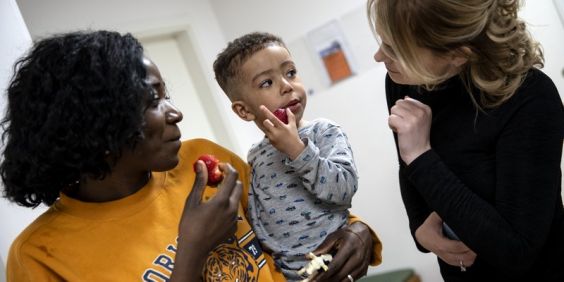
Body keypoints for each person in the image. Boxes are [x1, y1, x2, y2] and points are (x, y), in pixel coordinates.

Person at [0, 30, 380, 281]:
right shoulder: (40, 256)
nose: (174, 112)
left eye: (167, 95)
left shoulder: (202, 159)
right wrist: (192, 252)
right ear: (97, 121)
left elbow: (291, 206)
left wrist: (359, 230)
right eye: (153, 100)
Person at [367, 0, 564, 281]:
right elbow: (407, 163)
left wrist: (422, 156)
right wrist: (420, 228)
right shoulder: (404, 81)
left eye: (394, 49)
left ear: (458, 53)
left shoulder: (531, 99)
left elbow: (518, 251)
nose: (378, 56)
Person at [213, 32, 369, 281]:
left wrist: (298, 150)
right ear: (244, 110)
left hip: (336, 266)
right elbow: (259, 215)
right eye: (267, 83)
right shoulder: (255, 155)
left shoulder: (323, 131)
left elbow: (344, 190)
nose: (287, 86)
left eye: (290, 72)